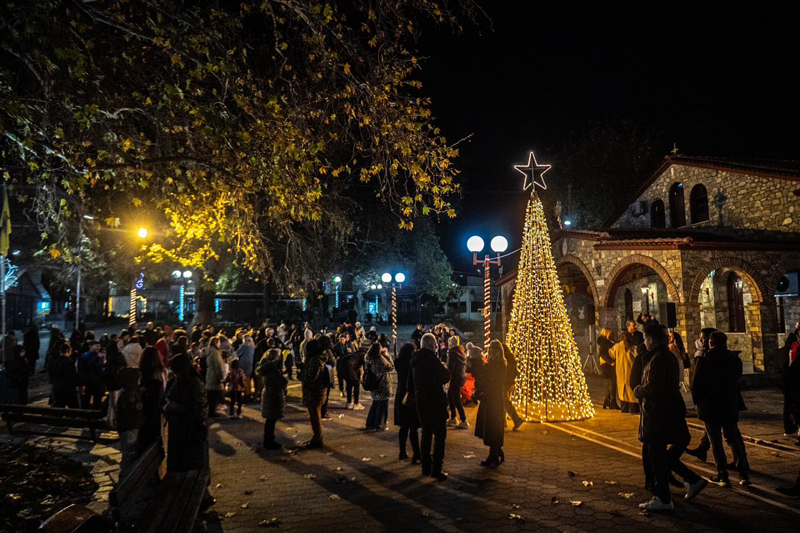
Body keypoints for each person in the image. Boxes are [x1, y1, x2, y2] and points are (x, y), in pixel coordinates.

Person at [633, 325, 707, 512]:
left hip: (658, 412)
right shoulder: (667, 357)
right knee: (661, 455)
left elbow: (653, 386)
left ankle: (664, 498)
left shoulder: (658, 359)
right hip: (668, 409)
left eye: (646, 339)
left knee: (656, 455)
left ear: (651, 340)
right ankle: (692, 480)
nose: (644, 342)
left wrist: (638, 390)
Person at [691, 331, 751, 486]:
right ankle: (744, 474)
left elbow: (696, 384)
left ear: (710, 343)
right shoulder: (734, 359)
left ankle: (722, 475)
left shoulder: (704, 360)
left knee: (716, 441)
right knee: (733, 439)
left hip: (710, 406)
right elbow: (737, 378)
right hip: (729, 404)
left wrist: (697, 401)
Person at [410, 333, 451, 481]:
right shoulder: (432, 359)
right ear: (430, 345)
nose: (437, 347)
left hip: (421, 401)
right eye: (435, 345)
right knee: (439, 436)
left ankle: (425, 467)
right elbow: (445, 377)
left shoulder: (415, 359)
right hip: (435, 401)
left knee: (426, 433)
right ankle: (436, 469)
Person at [474, 340, 508, 467]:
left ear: (500, 351)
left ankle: (494, 456)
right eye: (491, 349)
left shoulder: (500, 364)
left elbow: (495, 381)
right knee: (489, 427)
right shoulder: (491, 363)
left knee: (493, 427)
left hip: (495, 398)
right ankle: (496, 452)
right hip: (489, 398)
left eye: (495, 349)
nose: (493, 351)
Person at [116, 367, 145, 479]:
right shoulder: (130, 393)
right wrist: (138, 406)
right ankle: (126, 475)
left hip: (127, 426)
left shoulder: (126, 392)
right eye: (138, 380)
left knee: (128, 450)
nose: (139, 382)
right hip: (130, 426)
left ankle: (126, 473)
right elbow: (129, 407)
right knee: (129, 451)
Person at [138, 346, 167, 454]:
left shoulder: (141, 373)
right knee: (156, 434)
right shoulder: (160, 373)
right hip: (156, 409)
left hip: (145, 409)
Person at [394, 343, 420, 463]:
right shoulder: (412, 363)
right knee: (413, 427)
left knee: (404, 426)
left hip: (401, 395)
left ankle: (402, 451)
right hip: (410, 396)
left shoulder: (398, 362)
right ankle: (416, 453)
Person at [300, 339, 327, 448]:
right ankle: (317, 437)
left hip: (314, 392)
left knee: (315, 417)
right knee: (316, 416)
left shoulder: (315, 361)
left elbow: (311, 377)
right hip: (317, 391)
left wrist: (302, 374)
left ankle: (317, 439)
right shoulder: (319, 359)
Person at [259, 348, 287, 450]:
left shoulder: (266, 367)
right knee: (271, 419)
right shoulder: (272, 369)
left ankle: (268, 439)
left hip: (269, 392)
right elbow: (282, 382)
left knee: (270, 419)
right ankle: (269, 441)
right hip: (274, 393)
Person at [364, 343, 394, 431]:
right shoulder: (380, 360)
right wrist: (387, 356)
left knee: (375, 403)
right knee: (383, 404)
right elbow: (390, 367)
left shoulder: (368, 357)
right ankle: (380, 424)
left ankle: (370, 423)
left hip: (373, 383)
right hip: (382, 384)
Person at [612, 331, 639, 414]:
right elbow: (637, 356)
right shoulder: (632, 347)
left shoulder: (617, 346)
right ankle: (633, 409)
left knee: (622, 391)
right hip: (630, 370)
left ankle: (624, 408)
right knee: (630, 391)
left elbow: (611, 354)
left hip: (620, 371)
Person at [446, 336, 469, 428]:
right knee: (450, 395)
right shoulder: (460, 352)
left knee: (456, 398)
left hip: (455, 377)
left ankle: (463, 420)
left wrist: (447, 373)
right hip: (460, 377)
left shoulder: (452, 353)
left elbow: (451, 367)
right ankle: (453, 417)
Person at [501, 342, 525, 430]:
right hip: (511, 382)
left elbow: (505, 372)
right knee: (503, 401)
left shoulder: (505, 359)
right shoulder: (511, 357)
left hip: (505, 383)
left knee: (504, 401)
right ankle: (503, 421)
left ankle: (516, 419)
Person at [51, 343, 80, 408]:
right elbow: (72, 376)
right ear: (69, 351)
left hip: (57, 388)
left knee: (58, 407)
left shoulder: (55, 361)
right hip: (68, 389)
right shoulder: (68, 362)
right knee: (74, 408)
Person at [78, 340, 105, 410]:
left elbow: (100, 368)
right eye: (96, 346)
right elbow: (85, 368)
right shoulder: (85, 356)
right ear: (90, 346)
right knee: (86, 401)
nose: (98, 348)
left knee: (97, 401)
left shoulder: (99, 356)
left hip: (98, 382)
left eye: (99, 346)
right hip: (89, 382)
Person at [598, 328, 619, 410]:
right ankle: (612, 401)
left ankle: (607, 401)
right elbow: (602, 354)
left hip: (609, 364)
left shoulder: (609, 340)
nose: (612, 334)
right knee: (612, 383)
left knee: (610, 383)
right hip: (607, 365)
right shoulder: (604, 343)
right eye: (610, 332)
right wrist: (611, 362)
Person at [205, 337, 225, 418]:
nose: (220, 344)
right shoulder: (215, 352)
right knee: (214, 394)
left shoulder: (208, 351)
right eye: (219, 342)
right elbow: (218, 365)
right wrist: (221, 376)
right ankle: (212, 411)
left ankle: (211, 410)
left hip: (209, 373)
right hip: (214, 374)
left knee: (210, 393)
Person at [342, 341, 365, 410]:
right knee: (356, 385)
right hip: (352, 370)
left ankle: (349, 403)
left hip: (345, 369)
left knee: (349, 385)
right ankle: (356, 403)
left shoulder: (355, 354)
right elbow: (365, 367)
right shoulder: (363, 355)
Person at [318, 335, 336, 420]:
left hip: (318, 376)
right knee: (325, 395)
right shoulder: (328, 351)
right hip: (326, 375)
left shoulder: (316, 350)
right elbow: (333, 362)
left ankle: (319, 412)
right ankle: (323, 413)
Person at [236, 335, 255, 401]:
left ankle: (246, 395)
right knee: (248, 379)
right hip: (250, 364)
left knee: (245, 379)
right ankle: (248, 393)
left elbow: (237, 353)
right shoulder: (252, 346)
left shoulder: (244, 346)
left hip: (243, 364)